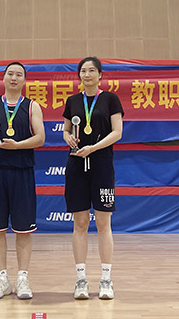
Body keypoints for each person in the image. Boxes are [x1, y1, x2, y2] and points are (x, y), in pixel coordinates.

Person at [0, 62, 45, 300]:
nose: (14, 78)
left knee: (23, 230)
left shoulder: (32, 106)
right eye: (10, 74)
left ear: (24, 80)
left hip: (22, 171)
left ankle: (23, 279)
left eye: (19, 75)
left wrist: (17, 146)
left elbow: (40, 138)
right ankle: (2, 279)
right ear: (4, 78)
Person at [62, 57, 123, 300]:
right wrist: (68, 138)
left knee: (103, 223)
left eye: (91, 71)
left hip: (102, 165)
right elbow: (66, 129)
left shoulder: (110, 99)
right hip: (76, 164)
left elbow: (117, 132)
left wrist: (94, 148)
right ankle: (81, 280)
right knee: (79, 223)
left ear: (100, 75)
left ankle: (106, 279)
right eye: (83, 71)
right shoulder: (72, 101)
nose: (86, 75)